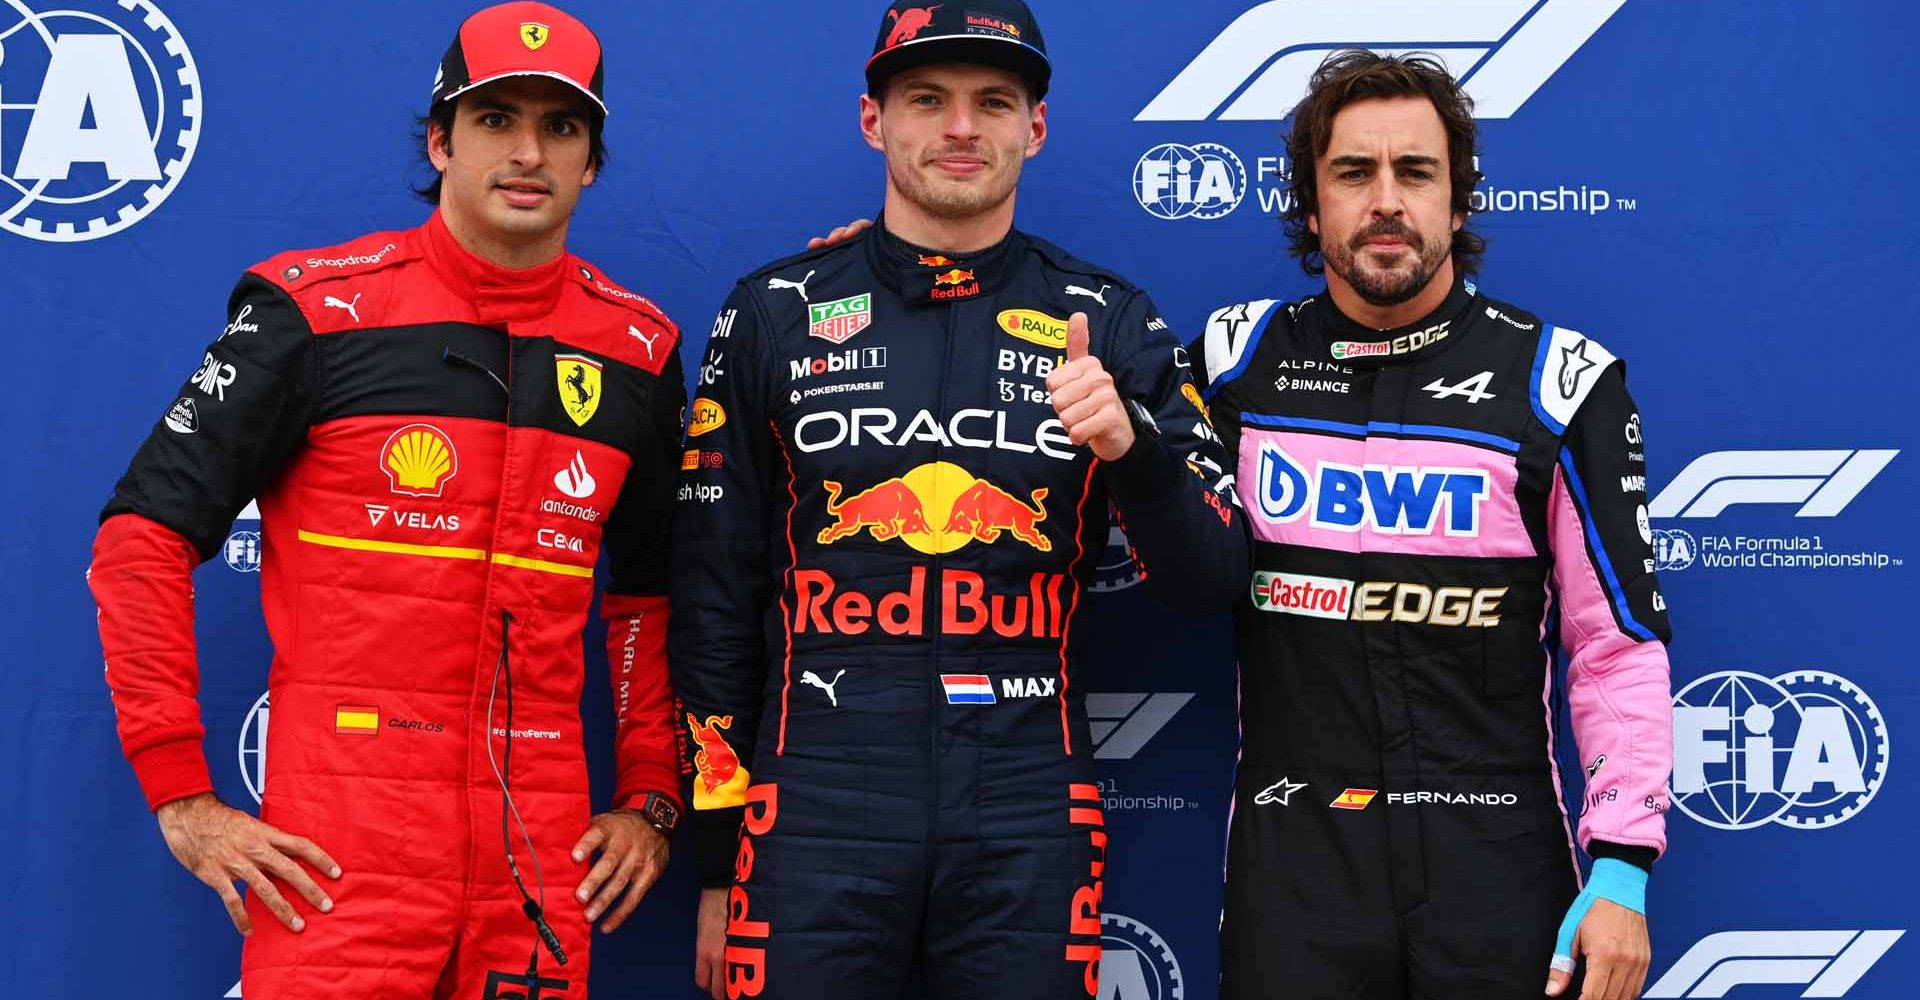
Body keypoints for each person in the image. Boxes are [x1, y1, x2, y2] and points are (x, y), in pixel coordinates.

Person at [87, 4, 686, 996]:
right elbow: (141, 538)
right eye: (497, 119)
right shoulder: (311, 314)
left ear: (593, 160)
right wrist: (180, 791)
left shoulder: (638, 353)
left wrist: (654, 792)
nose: (528, 151)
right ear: (441, 139)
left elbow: (655, 593)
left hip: (538, 852)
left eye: (562, 126)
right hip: (337, 854)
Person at [669, 2, 1247, 998]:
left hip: (1026, 811)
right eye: (927, 100)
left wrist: (1131, 449)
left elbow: (1215, 577)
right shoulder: (772, 309)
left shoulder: (1107, 317)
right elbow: (713, 595)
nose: (961, 128)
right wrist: (719, 859)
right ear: (872, 121)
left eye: (994, 102)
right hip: (811, 808)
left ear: (1037, 127)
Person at [1193, 51, 1673, 1000]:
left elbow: (1614, 644)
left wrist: (1622, 863)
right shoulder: (1229, 363)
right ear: (1311, 203)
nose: (1385, 201)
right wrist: (886, 272)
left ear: (1458, 204)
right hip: (1297, 859)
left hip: (1494, 856)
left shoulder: (1561, 380)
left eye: (1416, 173)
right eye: (1352, 173)